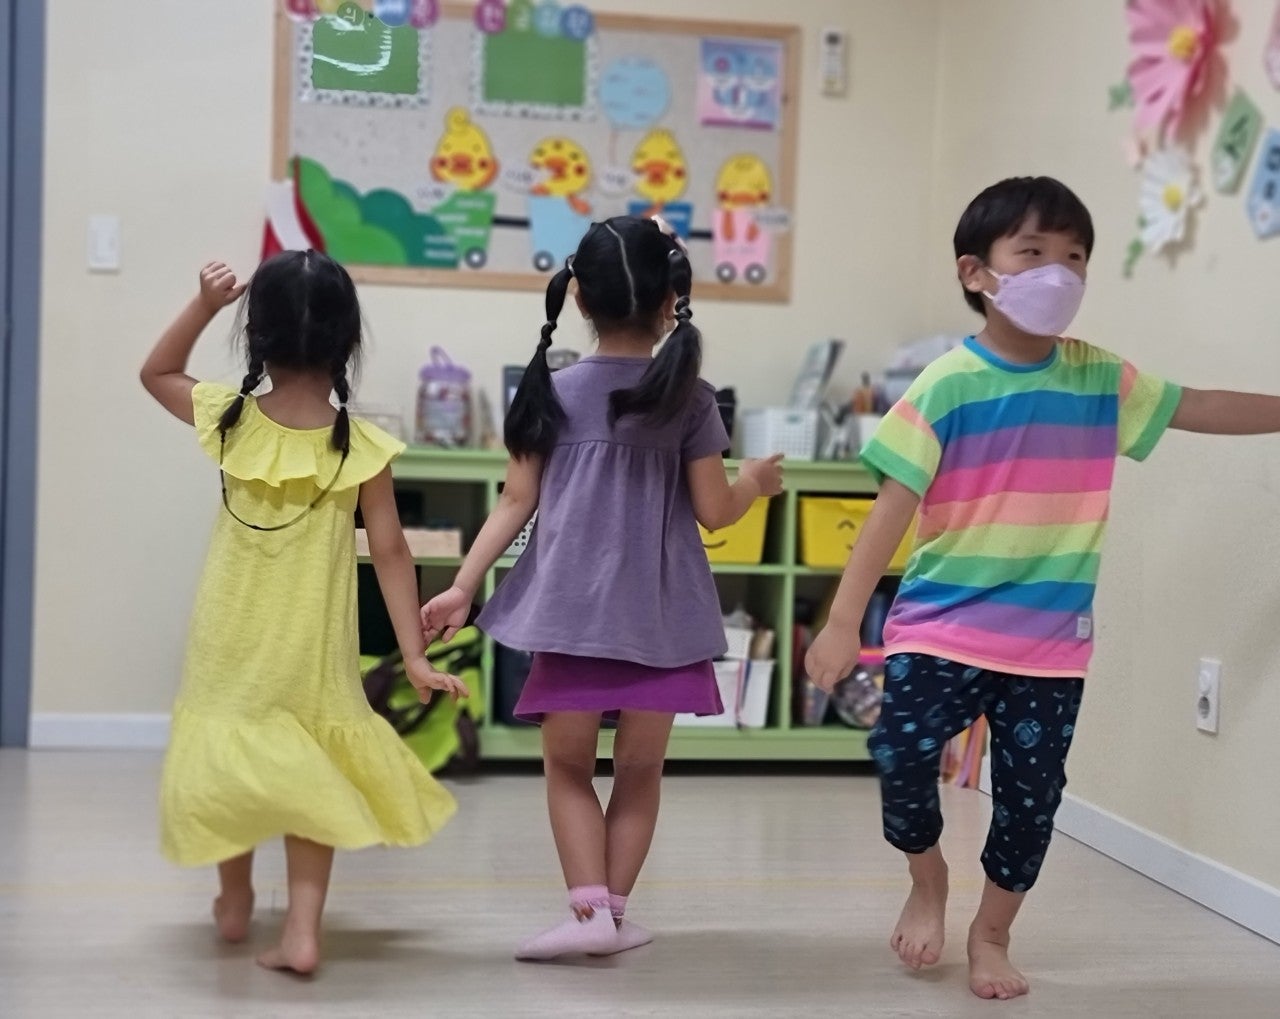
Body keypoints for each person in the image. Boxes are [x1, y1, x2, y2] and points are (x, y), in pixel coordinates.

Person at [804, 176, 1280, 1001]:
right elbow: (888, 515)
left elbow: (1197, 404)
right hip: (939, 628)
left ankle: (992, 933)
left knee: (1030, 801)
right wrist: (844, 622)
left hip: (1047, 647)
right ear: (976, 272)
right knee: (901, 758)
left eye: (1074, 256)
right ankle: (926, 877)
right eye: (1033, 253)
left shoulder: (1100, 379)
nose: (1058, 271)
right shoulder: (946, 384)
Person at [422, 216, 784, 961]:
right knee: (641, 771)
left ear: (578, 298)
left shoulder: (549, 391)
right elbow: (717, 512)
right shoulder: (691, 398)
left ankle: (591, 914)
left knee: (567, 768)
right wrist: (753, 481)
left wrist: (463, 584)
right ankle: (610, 916)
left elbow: (514, 500)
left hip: (573, 615)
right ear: (669, 300)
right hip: (662, 621)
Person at [140, 253, 467, 975]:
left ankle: (234, 899)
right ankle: (302, 931)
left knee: (230, 760)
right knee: (313, 774)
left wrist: (203, 305)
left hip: (229, 634)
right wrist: (414, 657)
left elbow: (156, 372)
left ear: (255, 335)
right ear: (348, 341)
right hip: (312, 646)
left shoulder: (230, 419)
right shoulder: (363, 447)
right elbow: (393, 553)